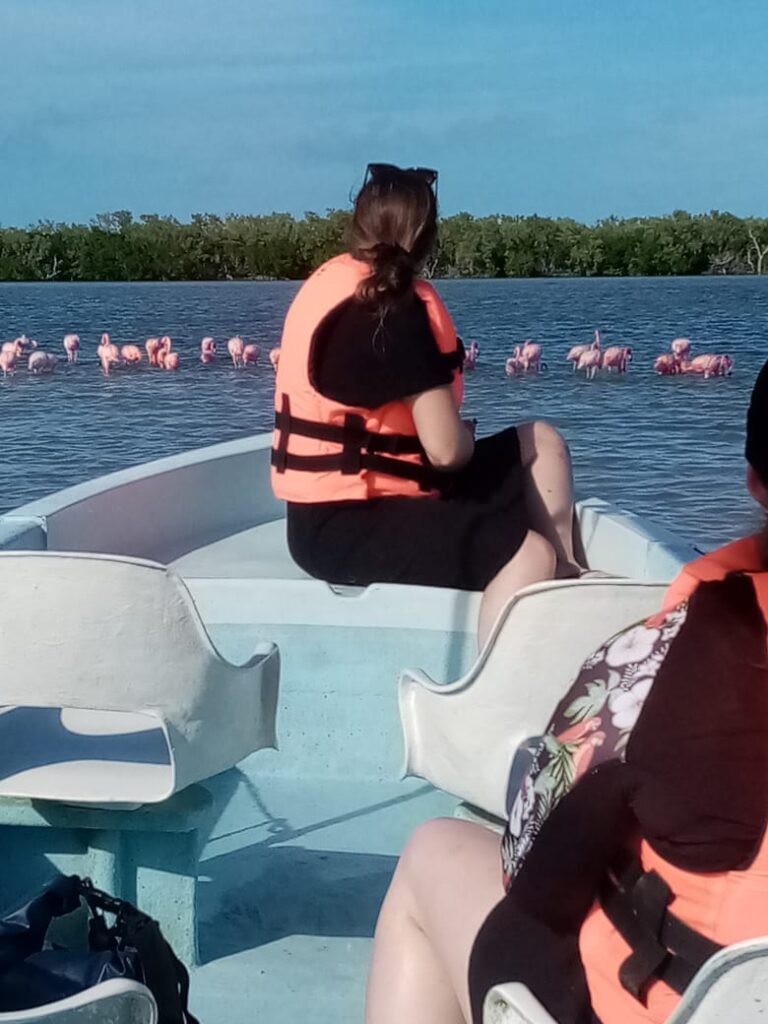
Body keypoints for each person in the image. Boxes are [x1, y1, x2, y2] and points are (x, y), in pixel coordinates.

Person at [365, 360, 768, 1024]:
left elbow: (530, 861)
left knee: (433, 853)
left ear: (754, 479)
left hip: (678, 1002)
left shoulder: (652, 661)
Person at [272, 163, 578, 646]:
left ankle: (567, 580)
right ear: (428, 238)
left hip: (349, 507)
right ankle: (491, 694)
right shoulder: (396, 314)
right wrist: (466, 439)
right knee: (528, 554)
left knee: (538, 442)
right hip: (340, 530)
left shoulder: (334, 285)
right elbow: (446, 453)